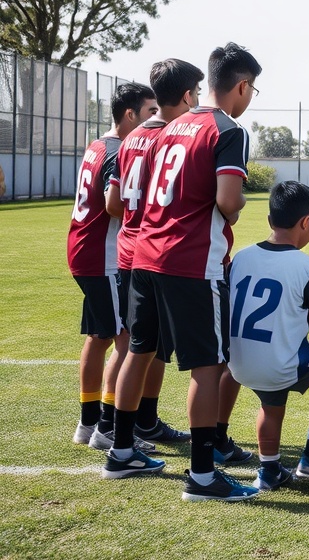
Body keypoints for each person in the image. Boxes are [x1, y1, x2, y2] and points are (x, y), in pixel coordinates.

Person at [102, 43, 263, 503]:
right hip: (191, 261)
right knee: (207, 366)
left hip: (145, 255)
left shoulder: (163, 129)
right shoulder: (228, 129)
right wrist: (235, 209)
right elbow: (228, 201)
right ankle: (202, 475)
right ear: (242, 86)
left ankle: (121, 449)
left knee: (138, 349)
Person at [101, 59, 206, 448]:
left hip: (128, 247)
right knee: (150, 347)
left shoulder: (129, 140)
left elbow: (113, 202)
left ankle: (123, 425)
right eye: (194, 93)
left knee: (138, 344)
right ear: (185, 94)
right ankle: (138, 423)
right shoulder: (172, 137)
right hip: (157, 251)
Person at [227, 181, 309, 492]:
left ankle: (269, 470)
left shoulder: (241, 256)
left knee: (271, 398)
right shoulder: (308, 267)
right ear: (307, 222)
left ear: (270, 220)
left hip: (237, 365)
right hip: (278, 364)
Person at [69, 82, 157, 448]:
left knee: (100, 336)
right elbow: (113, 204)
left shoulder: (97, 144)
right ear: (129, 115)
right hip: (103, 256)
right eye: (150, 111)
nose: (157, 118)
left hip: (84, 251)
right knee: (125, 339)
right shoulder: (117, 150)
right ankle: (108, 427)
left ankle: (89, 422)